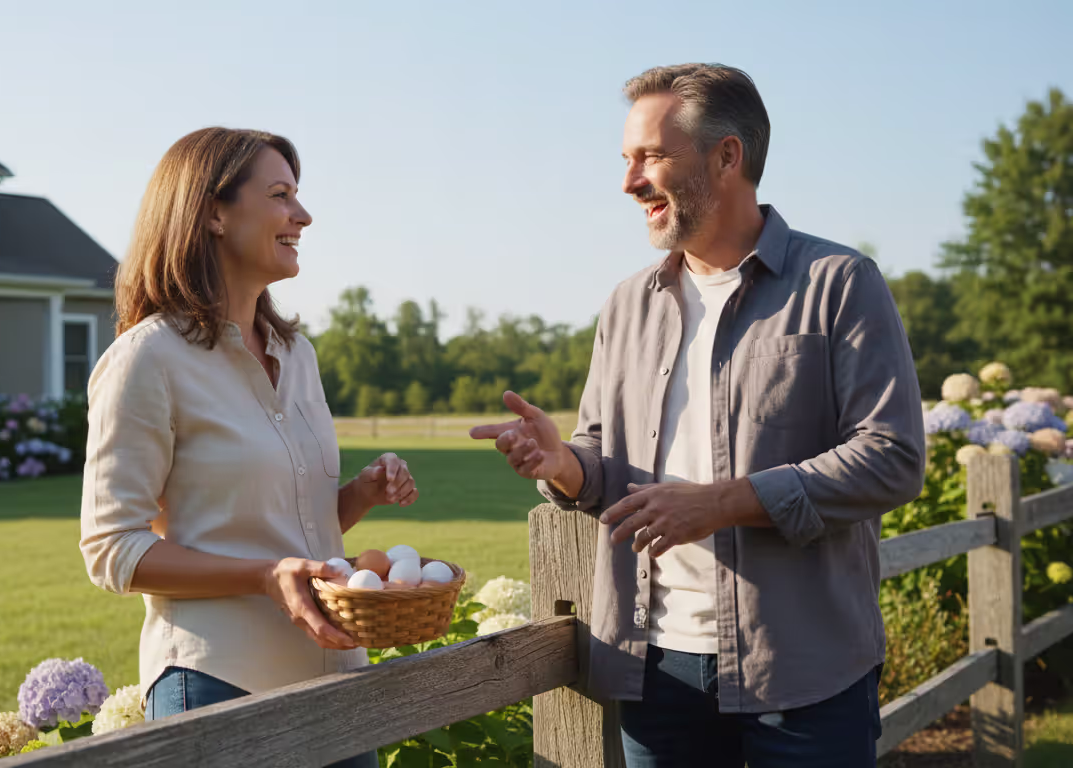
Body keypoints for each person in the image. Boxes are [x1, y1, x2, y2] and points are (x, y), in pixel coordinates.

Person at [472, 64, 925, 767]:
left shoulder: (838, 284)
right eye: (626, 160)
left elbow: (892, 456)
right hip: (654, 674)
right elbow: (605, 465)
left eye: (651, 156)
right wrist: (564, 465)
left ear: (727, 156)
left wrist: (724, 503)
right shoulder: (628, 303)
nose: (630, 182)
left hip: (804, 672)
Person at [80, 127, 418, 768]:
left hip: (337, 680)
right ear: (212, 212)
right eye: (280, 194)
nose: (303, 215)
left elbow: (284, 529)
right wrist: (262, 578)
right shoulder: (147, 359)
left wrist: (356, 496)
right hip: (220, 689)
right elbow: (111, 549)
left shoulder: (297, 354)